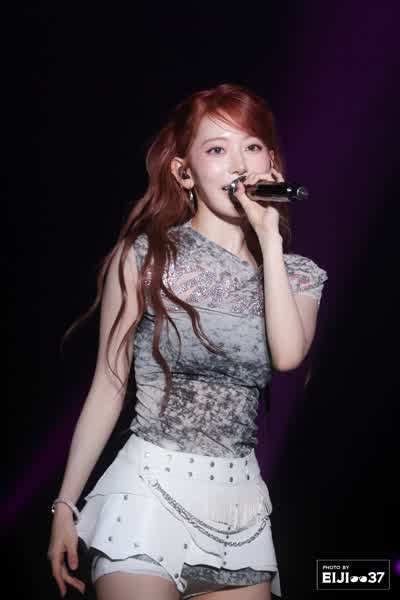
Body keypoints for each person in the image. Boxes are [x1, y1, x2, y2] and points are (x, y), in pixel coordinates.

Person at [47, 82, 328, 600]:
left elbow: (288, 356)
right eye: (217, 149)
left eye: (252, 146)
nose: (238, 164)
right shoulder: (147, 258)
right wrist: (65, 504)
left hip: (239, 506)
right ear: (184, 172)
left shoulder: (298, 276)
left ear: (272, 163)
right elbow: (109, 384)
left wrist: (269, 237)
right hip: (147, 489)